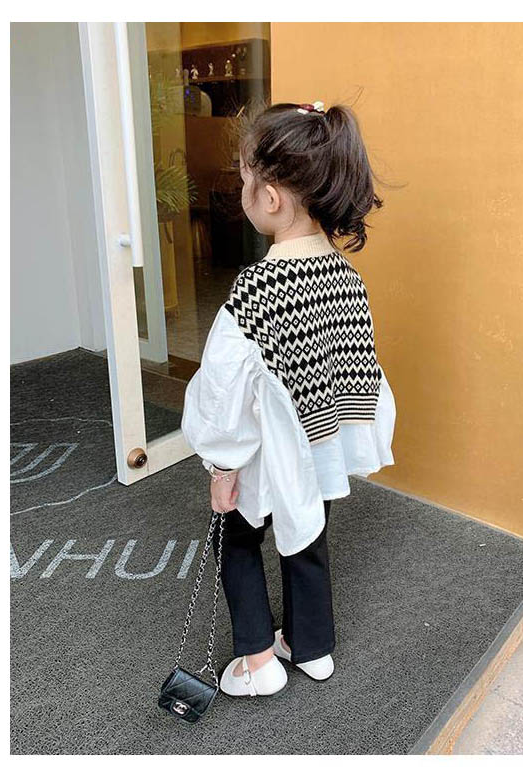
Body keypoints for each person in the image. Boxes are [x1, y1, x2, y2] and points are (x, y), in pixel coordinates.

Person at [181, 101, 396, 698]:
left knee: (236, 537)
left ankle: (257, 661)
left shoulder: (258, 288)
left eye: (244, 179)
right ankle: (311, 646)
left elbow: (224, 390)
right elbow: (360, 366)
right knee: (309, 533)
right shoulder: (346, 278)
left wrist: (222, 464)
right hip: (323, 441)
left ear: (270, 198)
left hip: (267, 449)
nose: (242, 191)